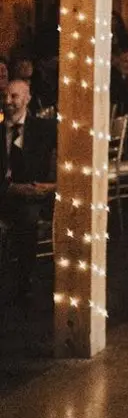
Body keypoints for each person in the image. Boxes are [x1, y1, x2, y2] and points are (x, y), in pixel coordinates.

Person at [0, 77, 57, 304]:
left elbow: (68, 158)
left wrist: (54, 185)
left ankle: (24, 280)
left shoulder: (45, 128)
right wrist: (12, 188)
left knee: (27, 218)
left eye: (14, 96)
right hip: (5, 192)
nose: (8, 101)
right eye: (5, 96)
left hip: (35, 195)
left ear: (27, 99)